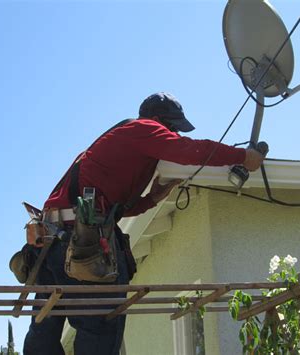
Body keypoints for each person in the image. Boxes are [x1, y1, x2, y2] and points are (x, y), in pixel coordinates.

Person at [23, 92, 264, 355]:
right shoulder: (143, 128)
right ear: (159, 120)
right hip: (81, 242)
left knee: (44, 324)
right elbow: (187, 149)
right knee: (99, 328)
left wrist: (152, 198)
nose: (173, 135)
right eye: (172, 128)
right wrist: (243, 157)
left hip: (52, 242)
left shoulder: (119, 145)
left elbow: (116, 212)